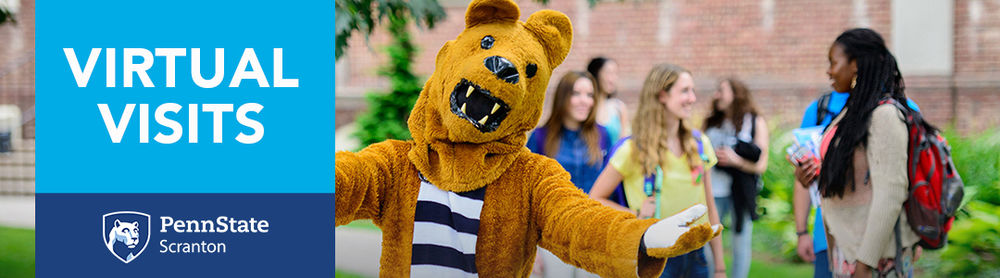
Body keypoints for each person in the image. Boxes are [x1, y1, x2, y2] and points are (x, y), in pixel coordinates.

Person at [795, 28, 922, 278]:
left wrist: (865, 263)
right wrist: (809, 175)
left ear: (855, 64)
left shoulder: (885, 115)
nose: (829, 71)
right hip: (848, 249)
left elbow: (891, 193)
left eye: (834, 62)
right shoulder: (853, 112)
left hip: (874, 258)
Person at [590, 63, 726, 278]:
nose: (692, 98)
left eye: (692, 91)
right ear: (662, 96)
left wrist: (720, 267)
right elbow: (596, 199)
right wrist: (634, 214)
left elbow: (710, 207)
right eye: (684, 91)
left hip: (696, 255)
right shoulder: (633, 149)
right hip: (655, 256)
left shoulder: (700, 144)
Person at [527, 71, 610, 278]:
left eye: (590, 95)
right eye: (577, 94)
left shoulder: (602, 135)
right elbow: (526, 194)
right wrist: (529, 246)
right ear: (563, 97)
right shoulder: (540, 137)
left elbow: (611, 188)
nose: (585, 101)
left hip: (593, 235)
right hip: (552, 236)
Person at [703, 78, 769, 278]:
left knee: (740, 243)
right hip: (714, 190)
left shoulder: (754, 121)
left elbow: (761, 165)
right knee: (707, 240)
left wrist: (735, 161)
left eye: (721, 90)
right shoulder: (712, 122)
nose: (716, 95)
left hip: (741, 192)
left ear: (736, 94)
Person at [587, 57, 630, 143]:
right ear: (596, 73)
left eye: (616, 74)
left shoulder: (619, 108)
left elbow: (624, 143)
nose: (613, 79)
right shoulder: (586, 105)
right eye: (608, 73)